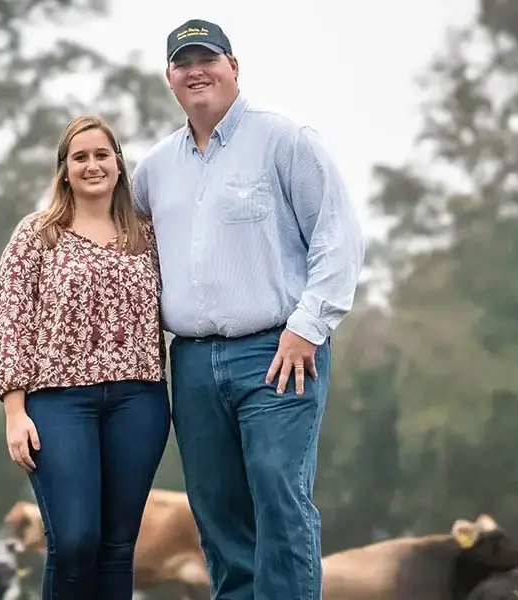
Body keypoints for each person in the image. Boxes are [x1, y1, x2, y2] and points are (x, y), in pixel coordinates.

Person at [128, 18, 366, 600]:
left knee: (278, 491)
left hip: (278, 352)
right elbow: (124, 251)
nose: (196, 70)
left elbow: (338, 238)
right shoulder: (155, 169)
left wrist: (307, 329)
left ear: (234, 67)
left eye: (208, 58)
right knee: (215, 509)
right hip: (189, 362)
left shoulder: (285, 141)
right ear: (169, 78)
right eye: (183, 63)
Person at [0, 114, 171, 599]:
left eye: (101, 155)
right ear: (64, 170)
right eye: (80, 157)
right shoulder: (37, 235)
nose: (92, 165)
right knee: (74, 540)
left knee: (116, 546)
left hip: (139, 401)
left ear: (118, 164)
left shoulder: (146, 236)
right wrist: (14, 412)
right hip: (57, 403)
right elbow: (10, 322)